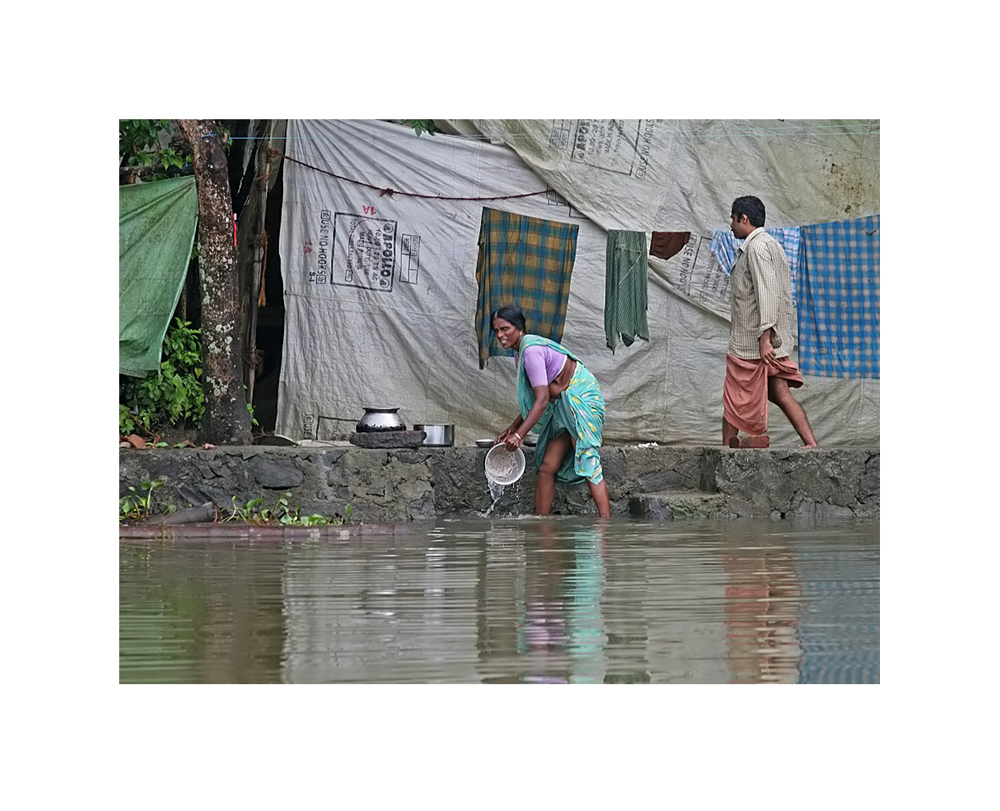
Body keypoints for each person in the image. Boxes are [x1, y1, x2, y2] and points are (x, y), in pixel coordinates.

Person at [491, 305, 611, 518]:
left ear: (519, 328)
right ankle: (542, 525)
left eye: (505, 329)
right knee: (547, 467)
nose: (500, 335)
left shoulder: (531, 351)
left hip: (581, 399)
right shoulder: (522, 354)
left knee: (587, 459)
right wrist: (513, 427)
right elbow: (542, 396)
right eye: (496, 330)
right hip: (563, 403)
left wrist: (519, 435)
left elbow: (543, 399)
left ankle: (605, 526)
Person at [723, 196, 818, 448]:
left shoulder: (755, 248)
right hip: (769, 342)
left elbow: (767, 293)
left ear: (744, 218)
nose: (730, 225)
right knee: (780, 392)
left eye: (733, 219)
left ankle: (724, 455)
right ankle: (811, 445)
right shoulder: (771, 245)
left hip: (752, 345)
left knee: (733, 398)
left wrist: (765, 338)